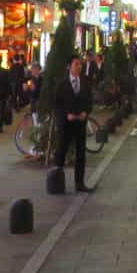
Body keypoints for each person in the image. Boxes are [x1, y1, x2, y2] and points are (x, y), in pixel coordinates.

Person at [53, 56, 94, 193]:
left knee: (81, 153)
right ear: (69, 66)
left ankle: (79, 183)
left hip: (80, 123)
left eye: (80, 65)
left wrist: (85, 112)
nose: (79, 67)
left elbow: (89, 100)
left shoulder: (85, 82)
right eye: (76, 64)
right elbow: (57, 104)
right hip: (66, 123)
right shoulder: (62, 84)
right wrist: (66, 114)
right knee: (61, 152)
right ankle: (56, 182)